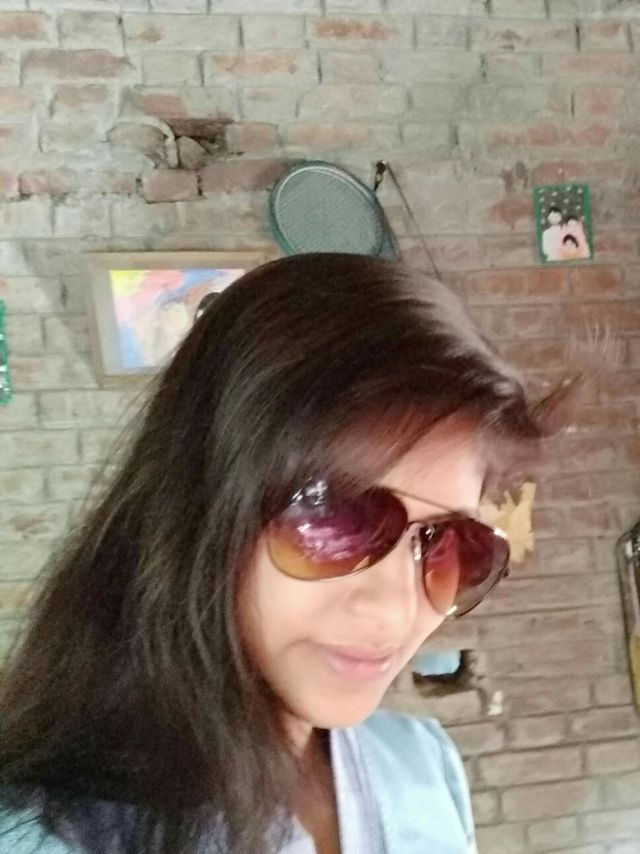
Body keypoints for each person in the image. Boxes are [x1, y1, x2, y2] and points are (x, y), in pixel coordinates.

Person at [0, 254, 574, 854]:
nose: (394, 612)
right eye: (333, 520)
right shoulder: (48, 834)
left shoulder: (422, 768)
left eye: (453, 543)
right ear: (202, 513)